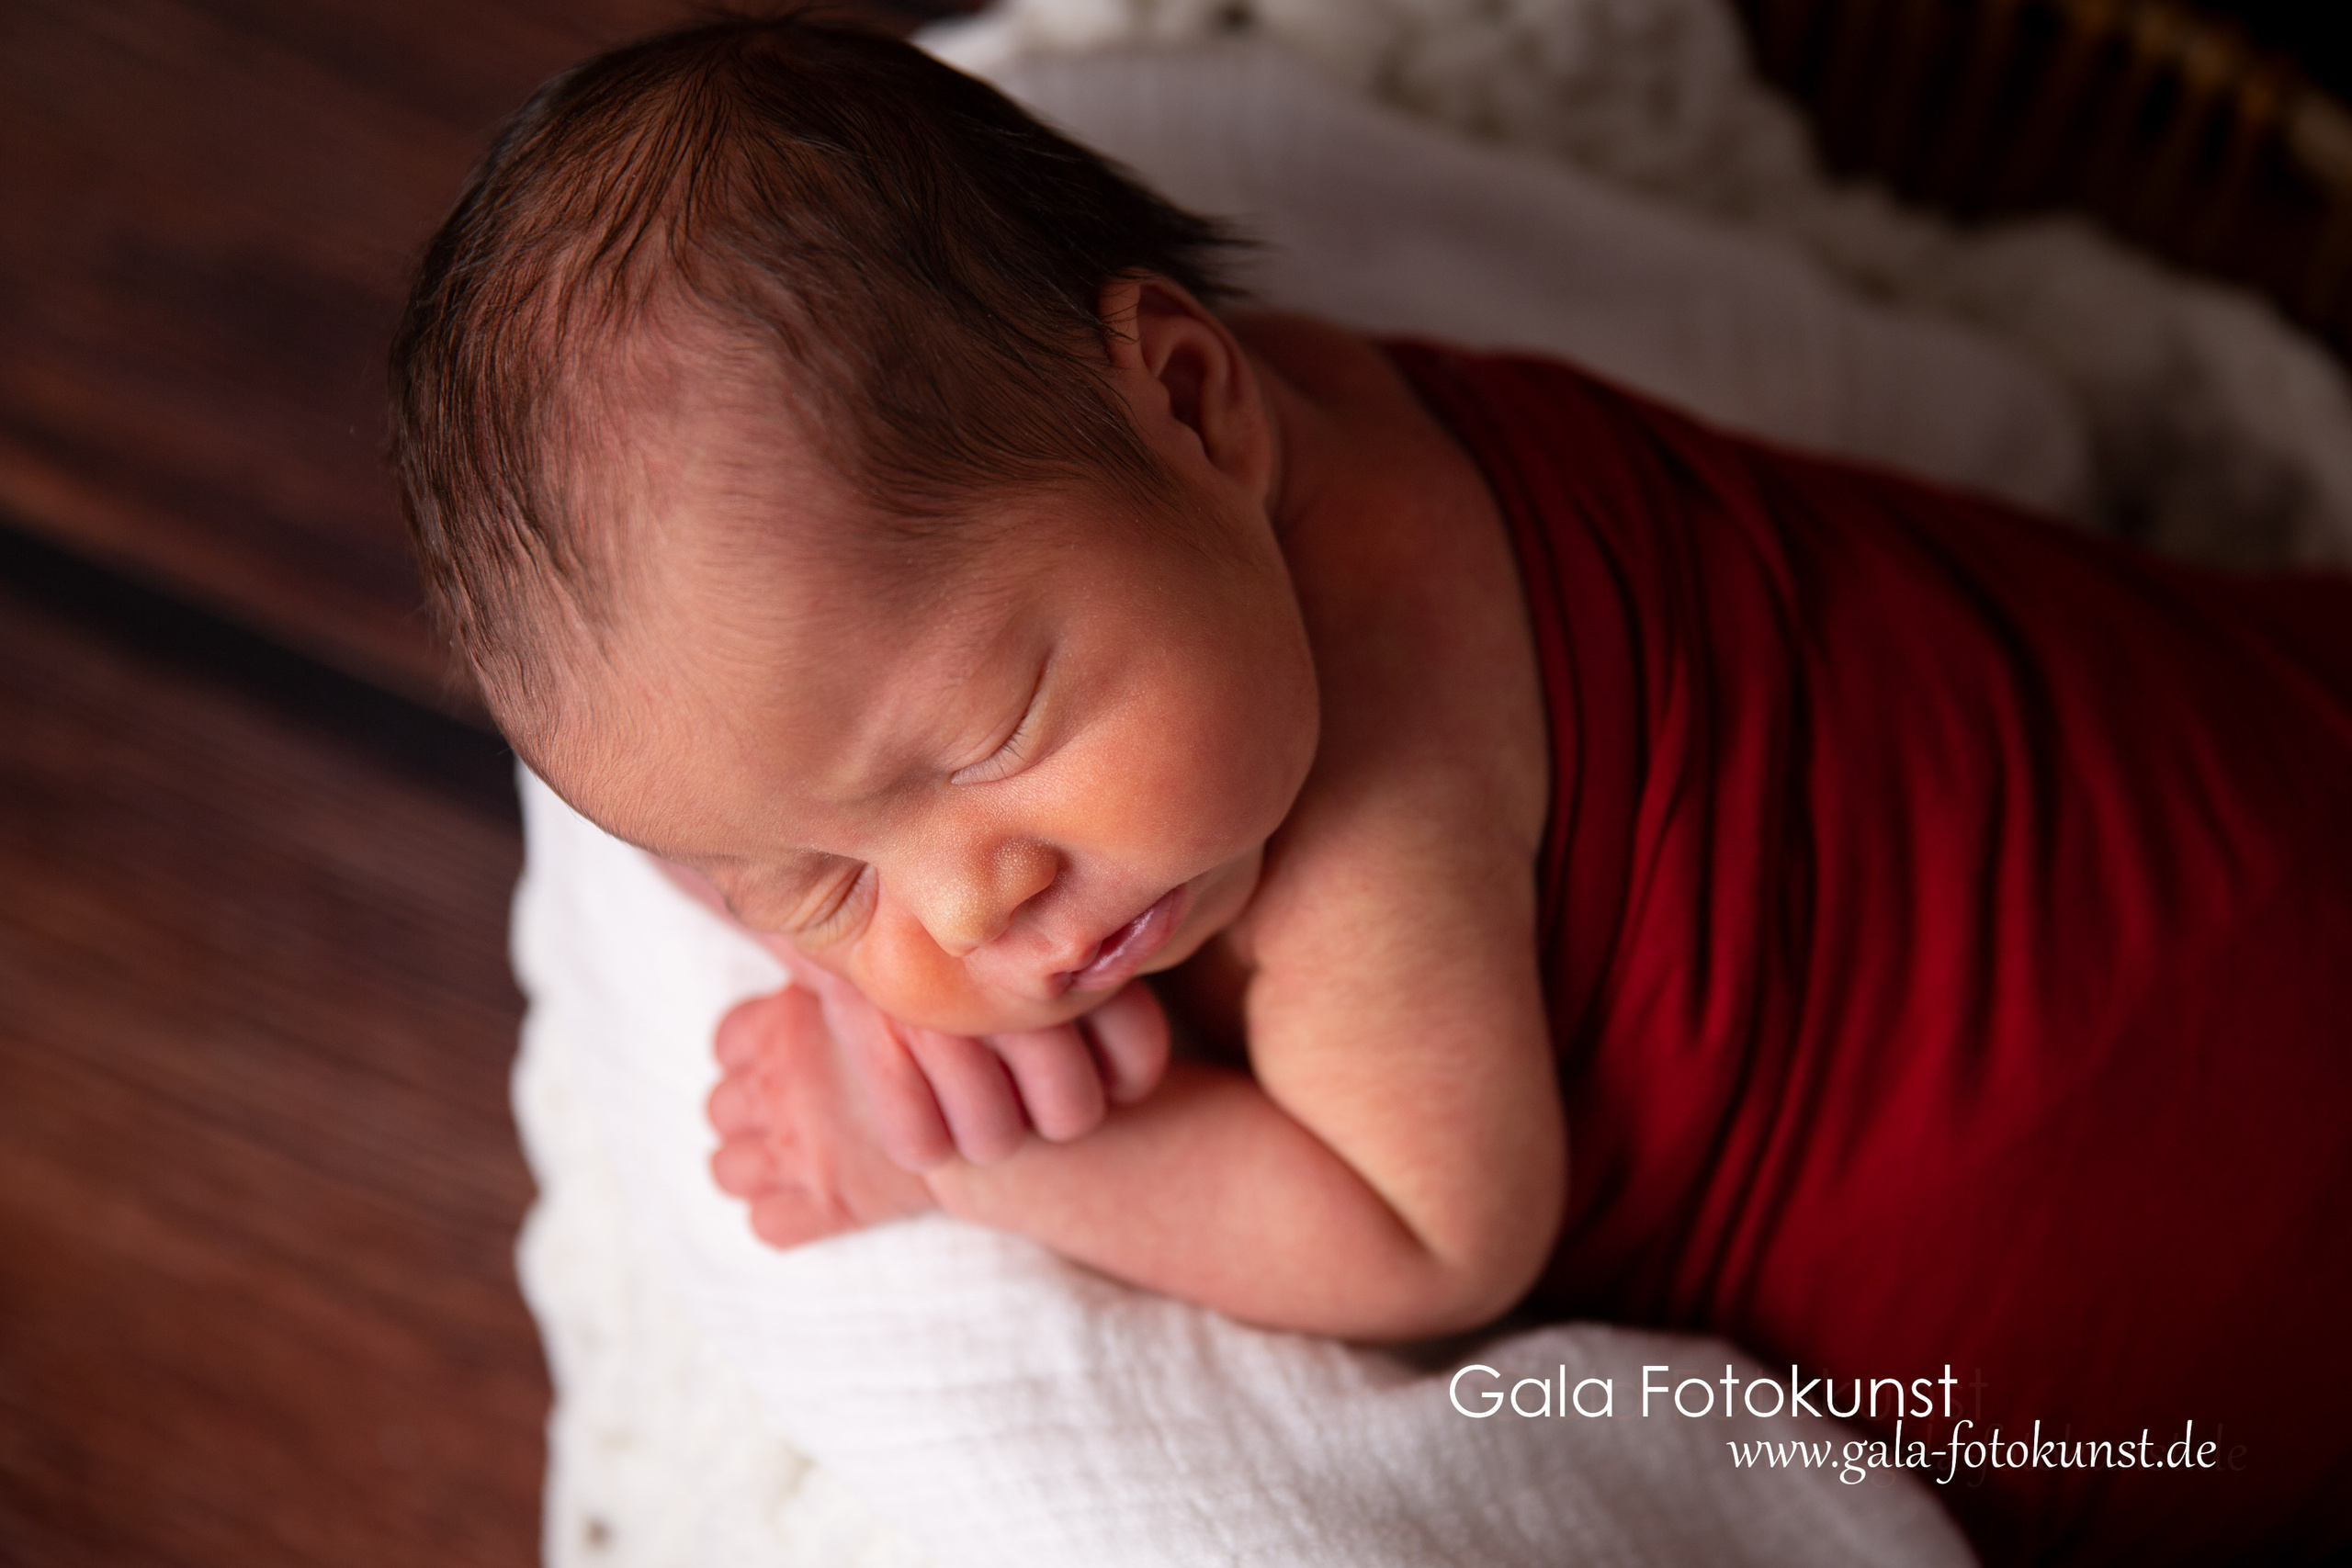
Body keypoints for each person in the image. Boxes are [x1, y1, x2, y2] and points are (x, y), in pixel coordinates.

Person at [390, 16, 2352, 1564]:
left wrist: (980, 1159)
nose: (969, 907)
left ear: (1186, 396)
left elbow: (1426, 1236)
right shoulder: (1264, 453)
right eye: (814, 884)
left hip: (2149, 1181)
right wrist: (850, 925)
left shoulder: (1377, 790)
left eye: (993, 735)